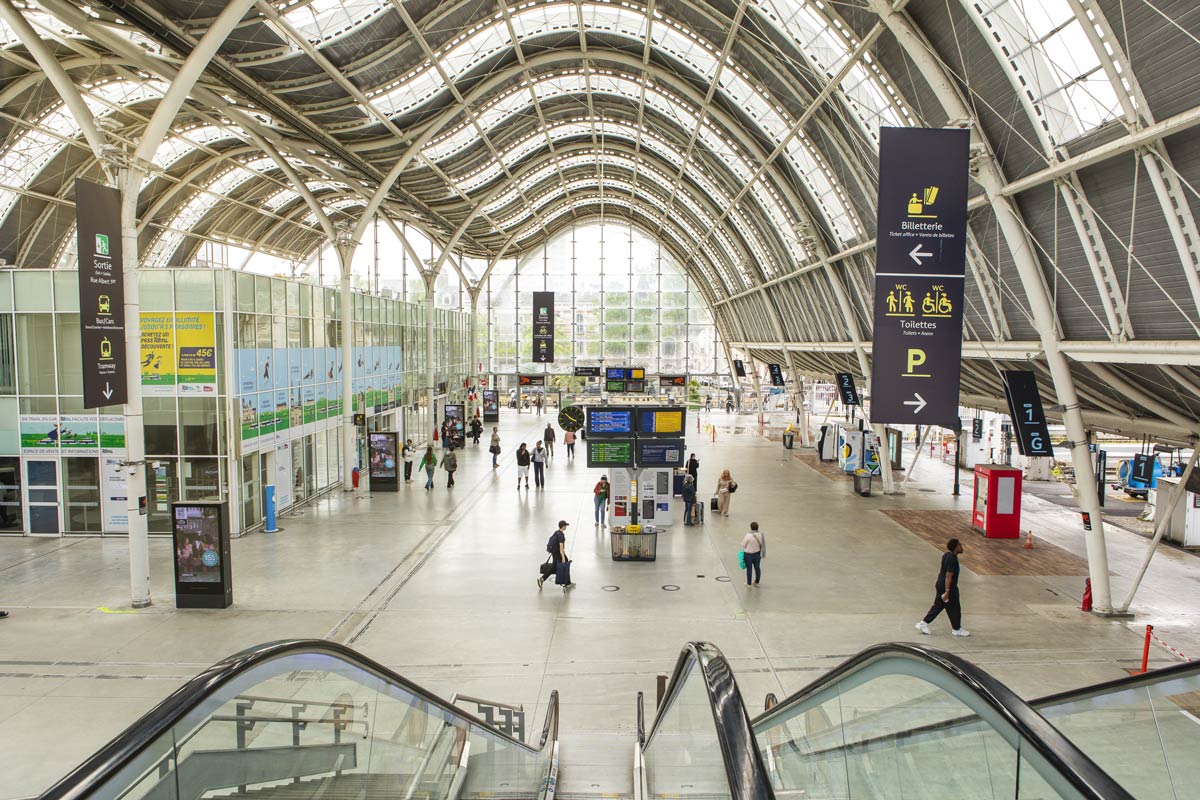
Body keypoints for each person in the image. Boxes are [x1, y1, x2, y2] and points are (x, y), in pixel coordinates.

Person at [917, 538, 970, 637]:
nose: (961, 547)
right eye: (959, 545)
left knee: (938, 605)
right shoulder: (952, 559)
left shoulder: (946, 555)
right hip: (948, 587)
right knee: (954, 608)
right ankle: (956, 629)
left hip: (940, 584)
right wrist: (947, 591)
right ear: (955, 547)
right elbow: (948, 576)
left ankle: (923, 623)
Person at [538, 520, 574, 590]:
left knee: (553, 567)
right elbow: (561, 548)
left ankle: (542, 579)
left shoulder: (556, 532)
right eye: (565, 525)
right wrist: (563, 557)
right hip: (558, 553)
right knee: (566, 564)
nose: (566, 526)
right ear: (563, 526)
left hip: (554, 552)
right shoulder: (561, 536)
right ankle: (567, 583)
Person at [741, 522, 765, 587]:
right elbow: (763, 545)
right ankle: (757, 582)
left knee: (749, 569)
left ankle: (749, 584)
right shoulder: (761, 534)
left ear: (751, 527)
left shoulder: (748, 535)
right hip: (757, 554)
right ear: (758, 527)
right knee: (757, 568)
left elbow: (743, 544)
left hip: (748, 554)